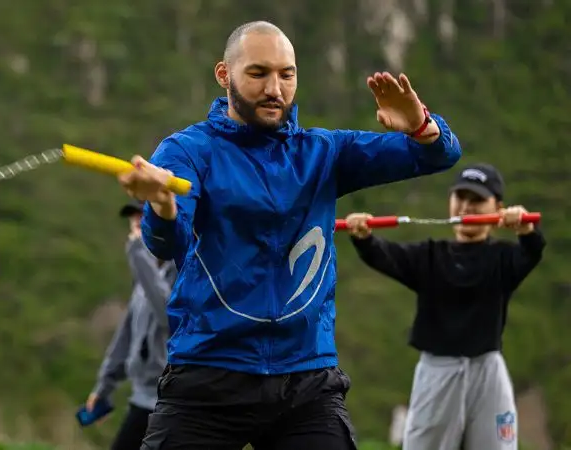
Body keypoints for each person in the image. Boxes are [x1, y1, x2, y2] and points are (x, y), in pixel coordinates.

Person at [117, 20, 463, 450]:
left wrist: (420, 125)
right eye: (258, 73)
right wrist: (162, 206)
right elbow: (167, 243)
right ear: (224, 75)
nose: (274, 89)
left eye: (287, 74)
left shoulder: (325, 152)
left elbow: (438, 155)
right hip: (209, 371)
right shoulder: (187, 151)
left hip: (306, 381)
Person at [344, 163, 545, 450]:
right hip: (437, 372)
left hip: (488, 370)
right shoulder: (429, 256)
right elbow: (382, 254)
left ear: (498, 208)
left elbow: (532, 250)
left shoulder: (504, 259)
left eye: (477, 200)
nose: (467, 206)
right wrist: (363, 237)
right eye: (461, 197)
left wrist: (526, 230)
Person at [85, 200, 178, 450]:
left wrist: (138, 253)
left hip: (171, 401)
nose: (136, 224)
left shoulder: (182, 269)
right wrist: (104, 387)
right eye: (134, 219)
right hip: (143, 398)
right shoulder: (145, 277)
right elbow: (125, 337)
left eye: (142, 217)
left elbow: (169, 315)